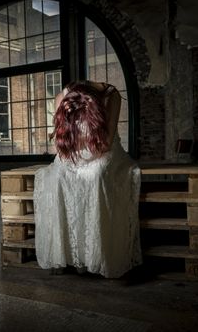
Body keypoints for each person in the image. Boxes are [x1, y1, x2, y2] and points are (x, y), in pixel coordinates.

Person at [33, 80, 142, 278]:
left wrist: (88, 149)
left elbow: (106, 143)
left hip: (103, 149)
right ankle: (66, 254)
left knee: (95, 175)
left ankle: (95, 255)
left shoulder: (111, 95)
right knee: (58, 178)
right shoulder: (63, 97)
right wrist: (73, 148)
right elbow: (60, 144)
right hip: (72, 149)